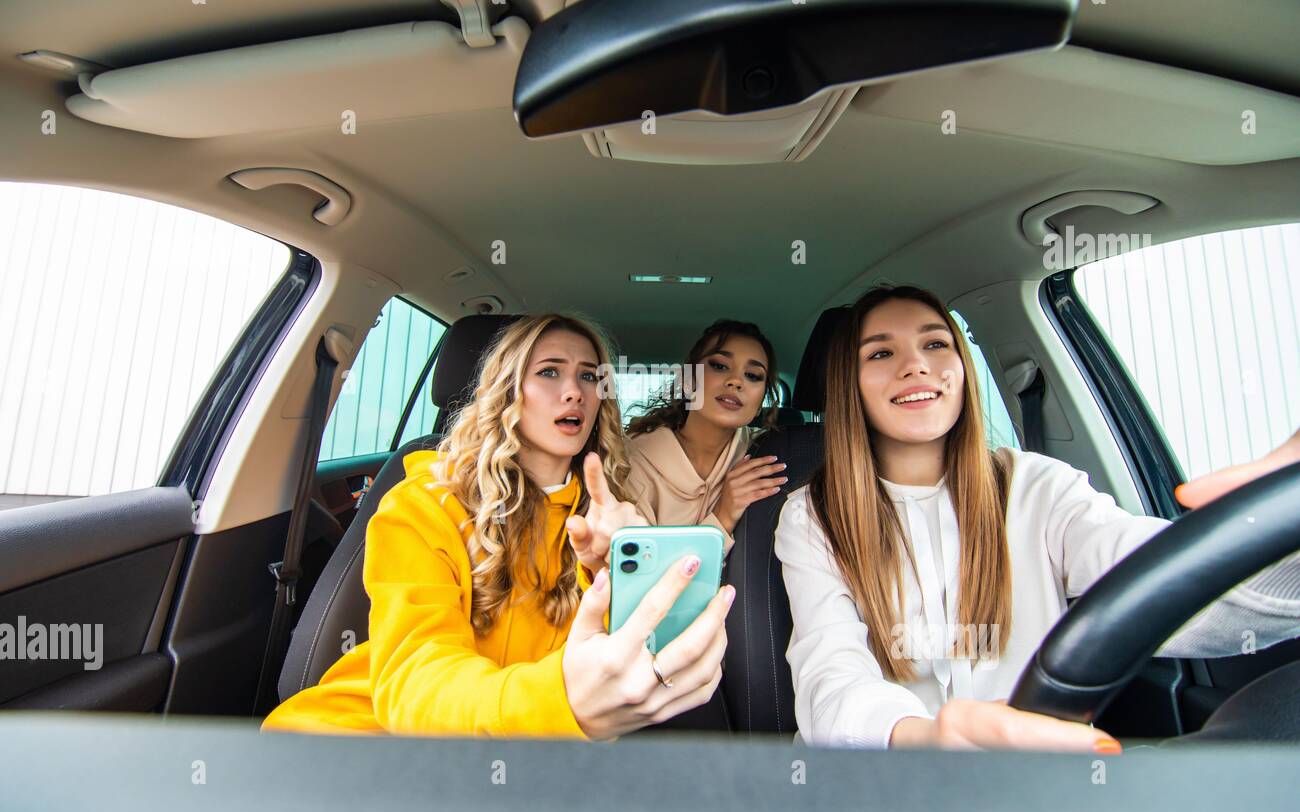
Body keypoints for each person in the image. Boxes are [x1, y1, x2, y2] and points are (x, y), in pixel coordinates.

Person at [775, 284, 1300, 750]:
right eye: (882, 352)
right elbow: (830, 669)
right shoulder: (811, 516)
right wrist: (924, 738)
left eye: (936, 344)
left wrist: (1270, 534)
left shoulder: (1038, 486)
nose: (916, 365)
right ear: (850, 384)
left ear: (961, 368)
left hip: (1032, 783)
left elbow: (1157, 581)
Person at [262, 314, 733, 740]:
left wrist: (612, 573)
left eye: (589, 376)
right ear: (508, 389)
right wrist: (559, 703)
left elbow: (627, 668)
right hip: (366, 741)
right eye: (549, 371)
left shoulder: (610, 524)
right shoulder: (424, 503)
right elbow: (415, 680)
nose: (574, 391)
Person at [625, 320, 786, 553]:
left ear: (761, 401)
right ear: (689, 379)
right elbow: (643, 579)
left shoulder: (770, 456)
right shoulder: (633, 461)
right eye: (720, 366)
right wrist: (723, 516)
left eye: (752, 375)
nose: (736, 381)